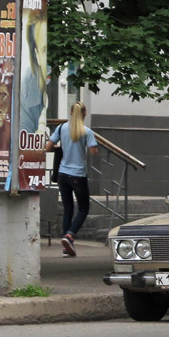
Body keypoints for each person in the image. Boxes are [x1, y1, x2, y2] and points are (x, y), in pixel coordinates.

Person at [45, 102, 99, 257]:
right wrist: (93, 147)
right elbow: (93, 151)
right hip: (78, 175)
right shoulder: (86, 132)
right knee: (83, 208)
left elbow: (48, 147)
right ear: (84, 113)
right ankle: (70, 235)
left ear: (70, 112)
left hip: (62, 174)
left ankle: (66, 248)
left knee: (68, 209)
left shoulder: (61, 128)